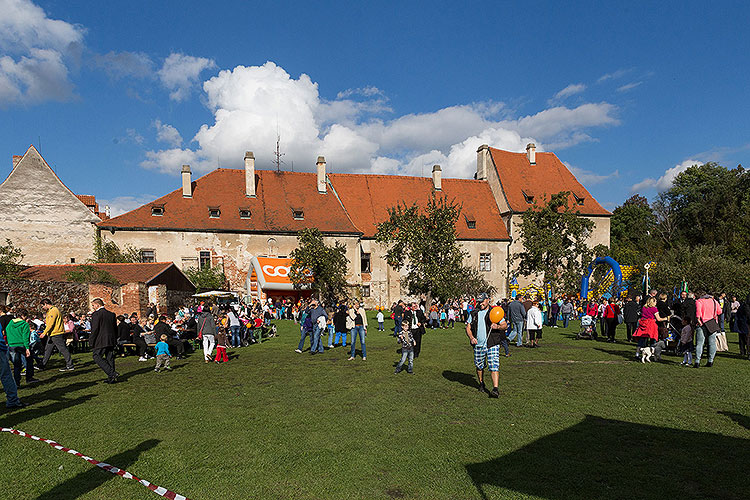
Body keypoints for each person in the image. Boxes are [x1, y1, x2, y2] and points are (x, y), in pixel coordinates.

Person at [465, 293, 508, 398]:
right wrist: (471, 338)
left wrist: (497, 327)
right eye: (479, 301)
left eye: (482, 301)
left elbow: (504, 325)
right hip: (478, 345)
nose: (480, 304)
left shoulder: (493, 312)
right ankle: (481, 383)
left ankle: (495, 389)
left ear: (488, 300)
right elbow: (468, 327)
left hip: (492, 344)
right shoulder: (474, 313)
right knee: (479, 366)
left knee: (494, 366)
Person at [6, 309, 40, 386]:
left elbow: (7, 332)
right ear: (23, 316)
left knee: (16, 364)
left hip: (12, 345)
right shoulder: (24, 324)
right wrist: (27, 348)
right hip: (21, 345)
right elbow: (25, 337)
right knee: (29, 361)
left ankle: (17, 382)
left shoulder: (10, 324)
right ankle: (29, 377)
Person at [89, 298, 119, 383]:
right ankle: (112, 378)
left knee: (96, 356)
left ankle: (112, 373)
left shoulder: (96, 314)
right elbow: (115, 328)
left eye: (93, 305)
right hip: (110, 339)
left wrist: (91, 341)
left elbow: (94, 329)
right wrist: (115, 339)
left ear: (98, 305)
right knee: (110, 358)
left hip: (101, 340)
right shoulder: (111, 314)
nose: (93, 307)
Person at [40, 299, 74, 372]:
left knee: (62, 349)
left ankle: (70, 365)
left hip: (56, 333)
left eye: (42, 306)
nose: (42, 308)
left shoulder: (53, 310)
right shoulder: (51, 311)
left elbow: (51, 323)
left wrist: (44, 333)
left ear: (46, 304)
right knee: (48, 350)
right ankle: (42, 365)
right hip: (52, 334)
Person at [694, 291, 722, 368]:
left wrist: (699, 320)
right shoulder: (714, 301)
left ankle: (697, 361)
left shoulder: (699, 301)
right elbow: (720, 312)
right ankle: (710, 360)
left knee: (700, 343)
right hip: (712, 323)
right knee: (712, 343)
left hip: (702, 323)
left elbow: (698, 313)